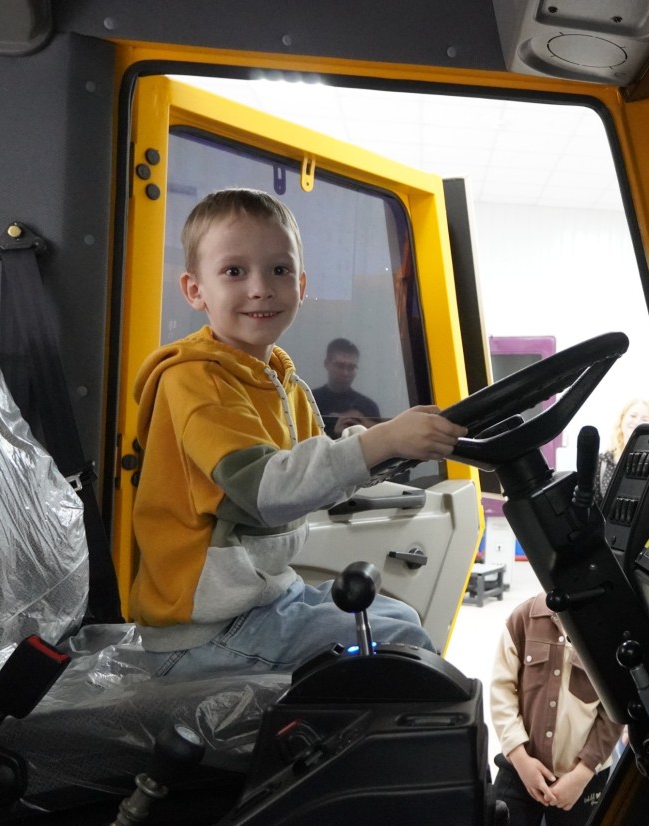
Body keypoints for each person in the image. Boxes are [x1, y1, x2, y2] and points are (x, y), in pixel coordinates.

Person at [129, 187, 468, 677]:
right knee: (401, 645)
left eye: (279, 270)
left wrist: (391, 447)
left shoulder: (282, 382)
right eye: (234, 271)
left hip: (264, 597)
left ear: (301, 285)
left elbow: (320, 476)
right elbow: (269, 491)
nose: (261, 288)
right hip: (205, 628)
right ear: (195, 290)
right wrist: (384, 439)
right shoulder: (195, 380)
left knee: (401, 616)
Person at [490, 595, 624, 826]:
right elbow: (501, 691)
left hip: (583, 779)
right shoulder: (523, 618)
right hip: (518, 768)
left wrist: (582, 773)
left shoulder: (609, 627)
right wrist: (520, 758)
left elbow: (616, 710)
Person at [595, 398, 649, 505]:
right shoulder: (602, 461)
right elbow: (594, 505)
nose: (637, 422)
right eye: (633, 416)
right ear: (622, 419)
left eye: (645, 419)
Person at [312, 338, 382, 437]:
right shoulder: (309, 401)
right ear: (327, 364)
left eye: (351, 367)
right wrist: (335, 435)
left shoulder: (368, 408)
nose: (345, 372)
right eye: (340, 366)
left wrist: (363, 424)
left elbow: (379, 440)